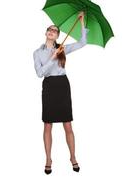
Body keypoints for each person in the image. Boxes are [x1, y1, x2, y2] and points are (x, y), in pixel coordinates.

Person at [33, 11, 89, 174]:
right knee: (48, 124)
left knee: (67, 124)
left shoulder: (63, 48)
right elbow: (40, 73)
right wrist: (53, 57)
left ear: (57, 35)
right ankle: (48, 159)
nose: (51, 31)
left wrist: (81, 21)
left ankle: (73, 157)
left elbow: (82, 42)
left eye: (55, 30)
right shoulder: (37, 52)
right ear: (46, 33)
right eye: (49, 29)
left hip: (62, 85)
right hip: (49, 86)